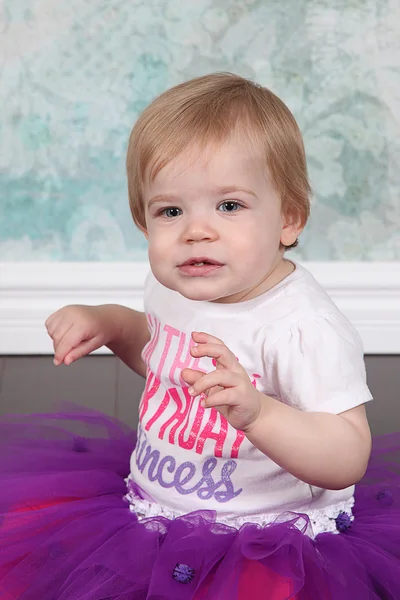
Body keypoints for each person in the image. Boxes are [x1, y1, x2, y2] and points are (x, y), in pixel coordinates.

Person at [0, 73, 399, 600]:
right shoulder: (178, 286)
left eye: (229, 206)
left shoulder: (303, 327)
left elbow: (347, 455)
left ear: (288, 217)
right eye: (170, 211)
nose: (196, 231)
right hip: (152, 513)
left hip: (267, 537)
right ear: (144, 223)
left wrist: (260, 413)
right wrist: (112, 323)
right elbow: (166, 356)